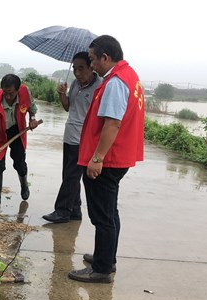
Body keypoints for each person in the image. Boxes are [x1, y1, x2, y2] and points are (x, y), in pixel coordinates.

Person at [67, 35, 145, 284]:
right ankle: (106, 257)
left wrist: (97, 158)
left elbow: (112, 123)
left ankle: (101, 269)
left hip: (108, 159)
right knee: (110, 211)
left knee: (103, 216)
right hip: (119, 156)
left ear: (105, 57)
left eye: (92, 60)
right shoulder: (129, 77)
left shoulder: (115, 82)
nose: (91, 65)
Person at [42, 52, 103, 223]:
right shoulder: (76, 84)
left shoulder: (100, 86)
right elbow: (68, 107)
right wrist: (62, 94)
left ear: (91, 66)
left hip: (84, 139)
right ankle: (75, 210)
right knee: (69, 175)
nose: (77, 72)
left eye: (81, 68)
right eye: (74, 68)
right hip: (70, 136)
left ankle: (62, 211)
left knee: (71, 176)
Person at [0, 74, 39, 211]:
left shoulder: (25, 93)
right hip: (0, 133)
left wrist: (32, 119)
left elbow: (32, 108)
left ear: (18, 89)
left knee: (19, 163)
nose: (8, 97)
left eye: (11, 93)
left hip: (17, 130)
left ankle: (24, 184)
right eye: (5, 93)